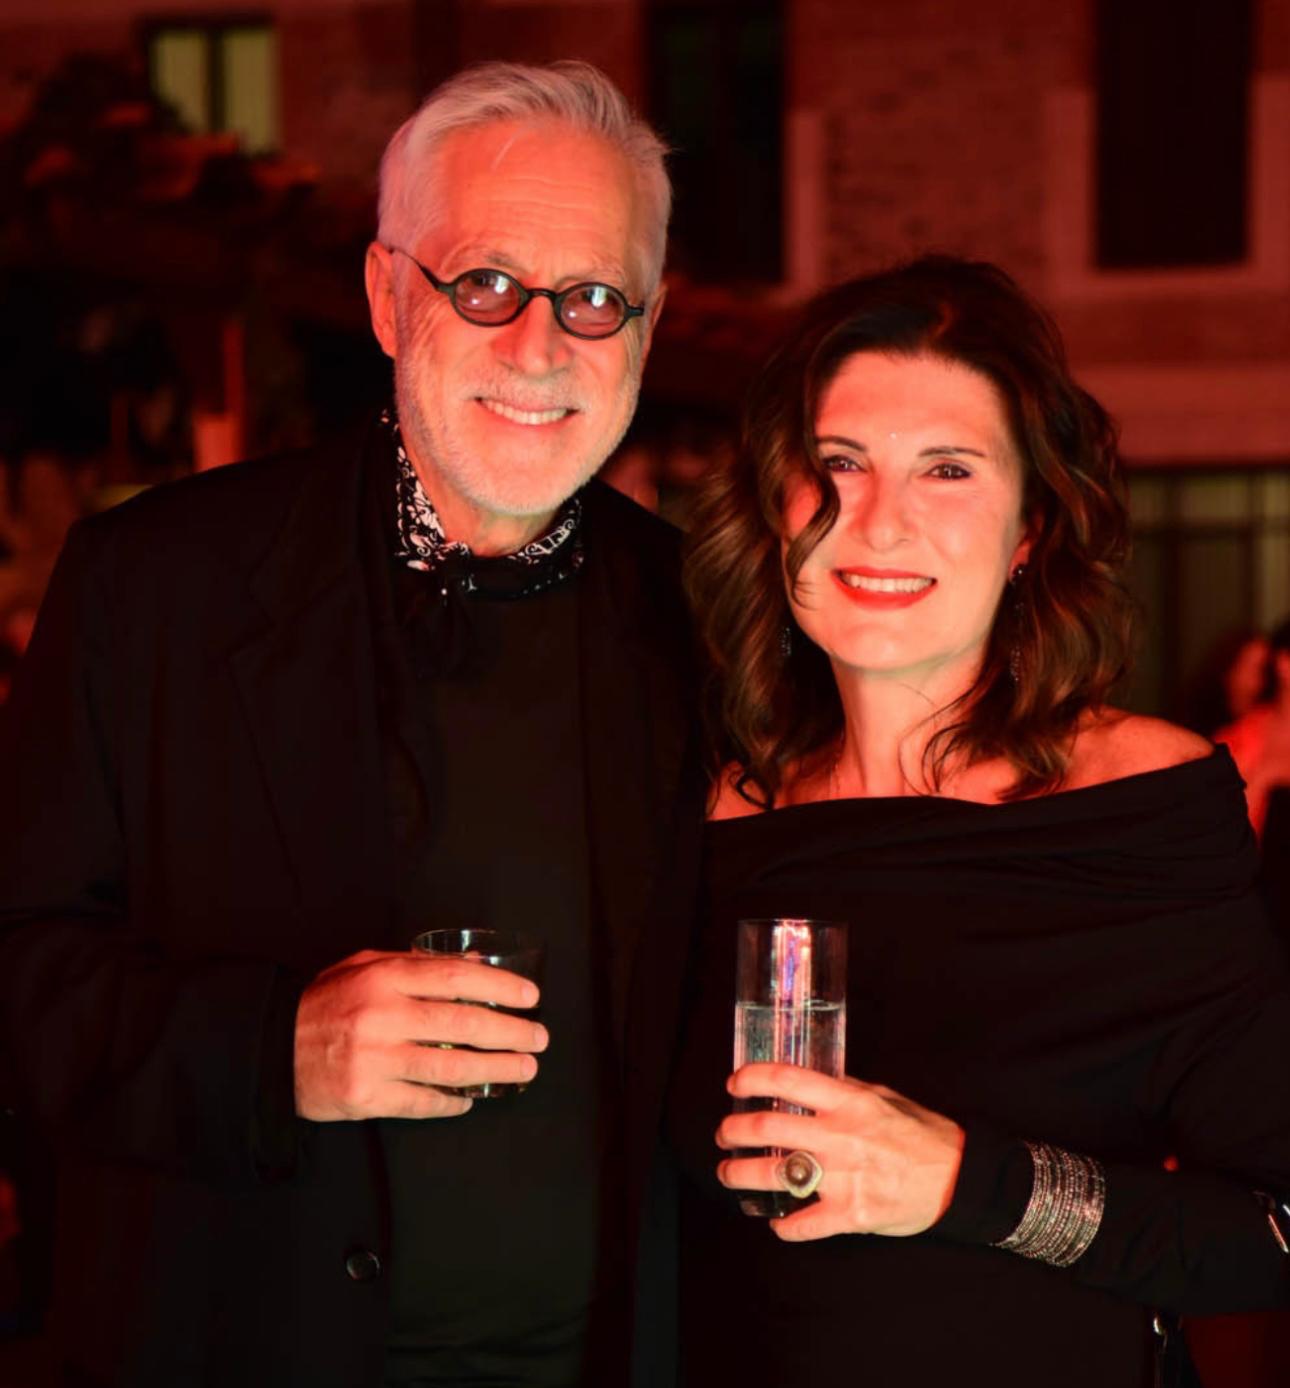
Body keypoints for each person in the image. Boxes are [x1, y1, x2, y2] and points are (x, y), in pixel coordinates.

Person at [0, 61, 703, 1388]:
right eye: (484, 283)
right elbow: (20, 977)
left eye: (593, 298)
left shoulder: (711, 622)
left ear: (647, 329)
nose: (539, 346)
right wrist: (272, 1052)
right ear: (388, 296)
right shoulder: (153, 587)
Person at [670, 257, 1290, 1388]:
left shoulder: (1137, 806)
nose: (879, 521)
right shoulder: (699, 813)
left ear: (1030, 528)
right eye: (837, 463)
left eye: (947, 469)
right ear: (774, 503)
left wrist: (968, 1183)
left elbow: (1274, 1230)